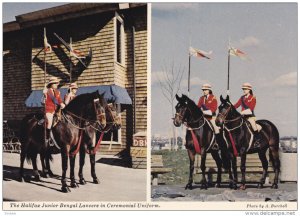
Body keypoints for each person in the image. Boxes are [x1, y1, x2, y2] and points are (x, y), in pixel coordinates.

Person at [198, 83, 229, 169]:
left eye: (205, 90)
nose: (204, 91)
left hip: (211, 117)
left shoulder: (213, 98)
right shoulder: (201, 98)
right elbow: (198, 107)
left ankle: (217, 143)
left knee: (216, 129)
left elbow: (213, 109)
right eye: (203, 90)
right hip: (203, 118)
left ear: (209, 90)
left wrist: (203, 112)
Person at [43, 76, 65, 144]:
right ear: (51, 84)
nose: (56, 84)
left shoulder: (58, 92)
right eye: (54, 83)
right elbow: (54, 99)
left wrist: (62, 103)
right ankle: (47, 138)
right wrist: (59, 104)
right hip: (49, 110)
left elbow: (59, 100)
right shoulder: (49, 91)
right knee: (49, 122)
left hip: (56, 111)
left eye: (57, 83)